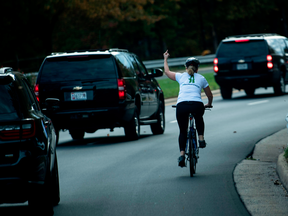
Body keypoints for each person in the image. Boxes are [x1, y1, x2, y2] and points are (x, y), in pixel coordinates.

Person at [163, 50, 213, 167]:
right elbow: (209, 95)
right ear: (197, 68)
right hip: (197, 104)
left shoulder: (180, 76)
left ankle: (182, 154)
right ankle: (201, 139)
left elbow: (167, 72)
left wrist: (165, 59)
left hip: (182, 105)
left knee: (183, 131)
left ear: (186, 67)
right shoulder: (201, 78)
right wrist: (209, 103)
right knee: (199, 117)